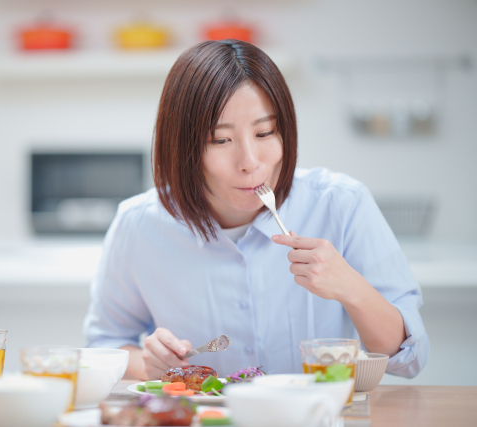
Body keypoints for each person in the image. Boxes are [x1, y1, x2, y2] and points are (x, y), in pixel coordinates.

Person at [82, 40, 429, 381]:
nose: (250, 163)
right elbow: (105, 346)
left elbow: (408, 359)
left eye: (265, 132)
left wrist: (351, 288)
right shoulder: (139, 225)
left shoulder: (341, 203)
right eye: (220, 140)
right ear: (181, 147)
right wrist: (151, 365)